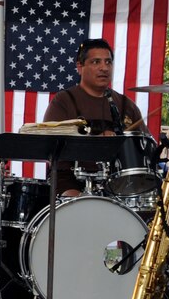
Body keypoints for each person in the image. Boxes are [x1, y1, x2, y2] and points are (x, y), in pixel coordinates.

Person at [43, 38, 145, 196]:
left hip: (119, 180)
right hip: (70, 179)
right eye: (96, 62)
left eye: (108, 62)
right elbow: (51, 147)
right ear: (80, 67)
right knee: (78, 207)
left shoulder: (126, 105)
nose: (104, 68)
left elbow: (144, 146)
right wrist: (97, 142)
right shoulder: (63, 101)